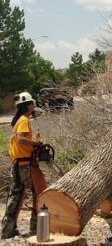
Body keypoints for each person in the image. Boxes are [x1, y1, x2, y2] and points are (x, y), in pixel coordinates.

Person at [1, 92, 47, 239]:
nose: (34, 105)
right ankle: (37, 228)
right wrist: (37, 144)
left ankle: (7, 230)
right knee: (39, 193)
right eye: (32, 103)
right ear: (28, 105)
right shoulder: (24, 120)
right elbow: (21, 140)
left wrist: (34, 141)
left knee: (16, 195)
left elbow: (20, 141)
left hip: (19, 163)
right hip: (26, 165)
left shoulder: (19, 119)